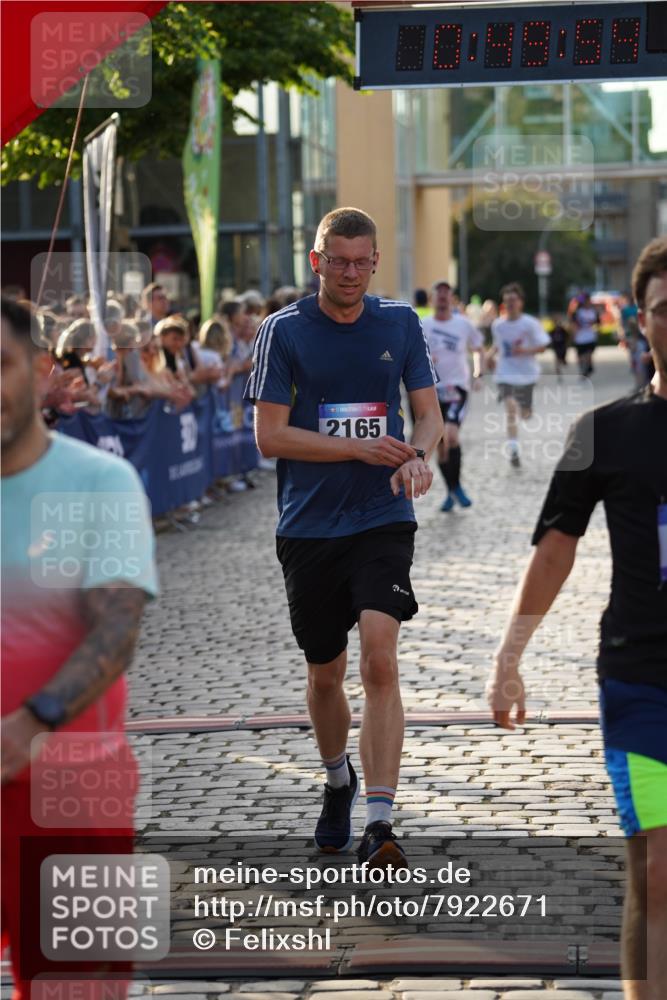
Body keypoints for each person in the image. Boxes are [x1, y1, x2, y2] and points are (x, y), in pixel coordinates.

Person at [486, 237, 667, 1000]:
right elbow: (555, 551)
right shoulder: (600, 430)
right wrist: (509, 657)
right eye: (664, 308)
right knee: (655, 869)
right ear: (639, 319)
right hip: (641, 682)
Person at [244, 207, 443, 868]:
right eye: (338, 261)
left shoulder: (399, 323)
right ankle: (337, 780)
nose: (350, 273)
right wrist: (355, 449)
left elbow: (426, 415)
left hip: (381, 517)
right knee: (324, 672)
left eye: (361, 261)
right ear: (316, 261)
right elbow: (269, 436)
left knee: (379, 658)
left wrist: (416, 456)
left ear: (376, 261)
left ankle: (380, 823)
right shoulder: (284, 331)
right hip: (307, 525)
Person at [1, 297, 158, 996]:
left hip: (73, 791)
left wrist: (31, 723)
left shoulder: (101, 482)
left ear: (38, 372)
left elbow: (115, 630)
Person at [422, 279, 484, 510]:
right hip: (431, 391)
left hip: (457, 388)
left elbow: (478, 348)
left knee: (451, 436)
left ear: (452, 299)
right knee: (441, 445)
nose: (443, 297)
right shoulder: (423, 324)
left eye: (447, 294)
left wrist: (478, 373)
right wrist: (427, 360)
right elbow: (413, 354)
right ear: (432, 298)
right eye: (439, 293)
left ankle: (456, 487)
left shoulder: (463, 324)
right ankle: (451, 490)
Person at [486, 282, 550, 468]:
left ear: (520, 302)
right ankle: (513, 449)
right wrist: (489, 357)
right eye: (507, 301)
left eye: (513, 300)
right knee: (511, 409)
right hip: (505, 373)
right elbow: (497, 345)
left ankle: (527, 409)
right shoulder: (498, 325)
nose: (510, 304)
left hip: (527, 375)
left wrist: (525, 350)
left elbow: (543, 346)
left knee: (525, 414)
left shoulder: (530, 323)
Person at [570, 290, 600, 378]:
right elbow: (573, 324)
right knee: (581, 356)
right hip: (580, 337)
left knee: (589, 354)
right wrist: (573, 335)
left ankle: (588, 368)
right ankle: (583, 368)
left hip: (590, 336)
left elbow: (598, 323)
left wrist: (597, 332)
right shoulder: (577, 312)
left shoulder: (593, 312)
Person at [549, 314, 570, 382]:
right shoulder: (552, 331)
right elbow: (550, 339)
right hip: (556, 347)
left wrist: (567, 344)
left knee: (562, 359)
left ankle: (563, 361)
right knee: (557, 361)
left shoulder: (562, 330)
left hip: (562, 346)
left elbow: (567, 337)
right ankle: (559, 374)